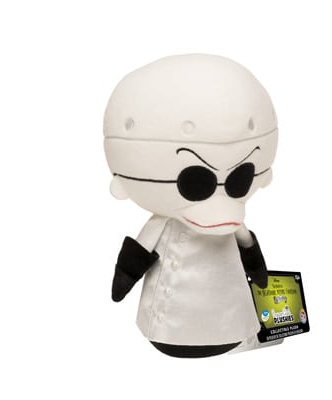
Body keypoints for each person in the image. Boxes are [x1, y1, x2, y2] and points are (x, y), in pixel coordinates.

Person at [103, 54, 279, 357]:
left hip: (231, 324)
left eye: (239, 179)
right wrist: (124, 279)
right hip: (170, 329)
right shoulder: (164, 221)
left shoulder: (232, 222)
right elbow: (138, 253)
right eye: (197, 183)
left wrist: (259, 271)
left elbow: (250, 251)